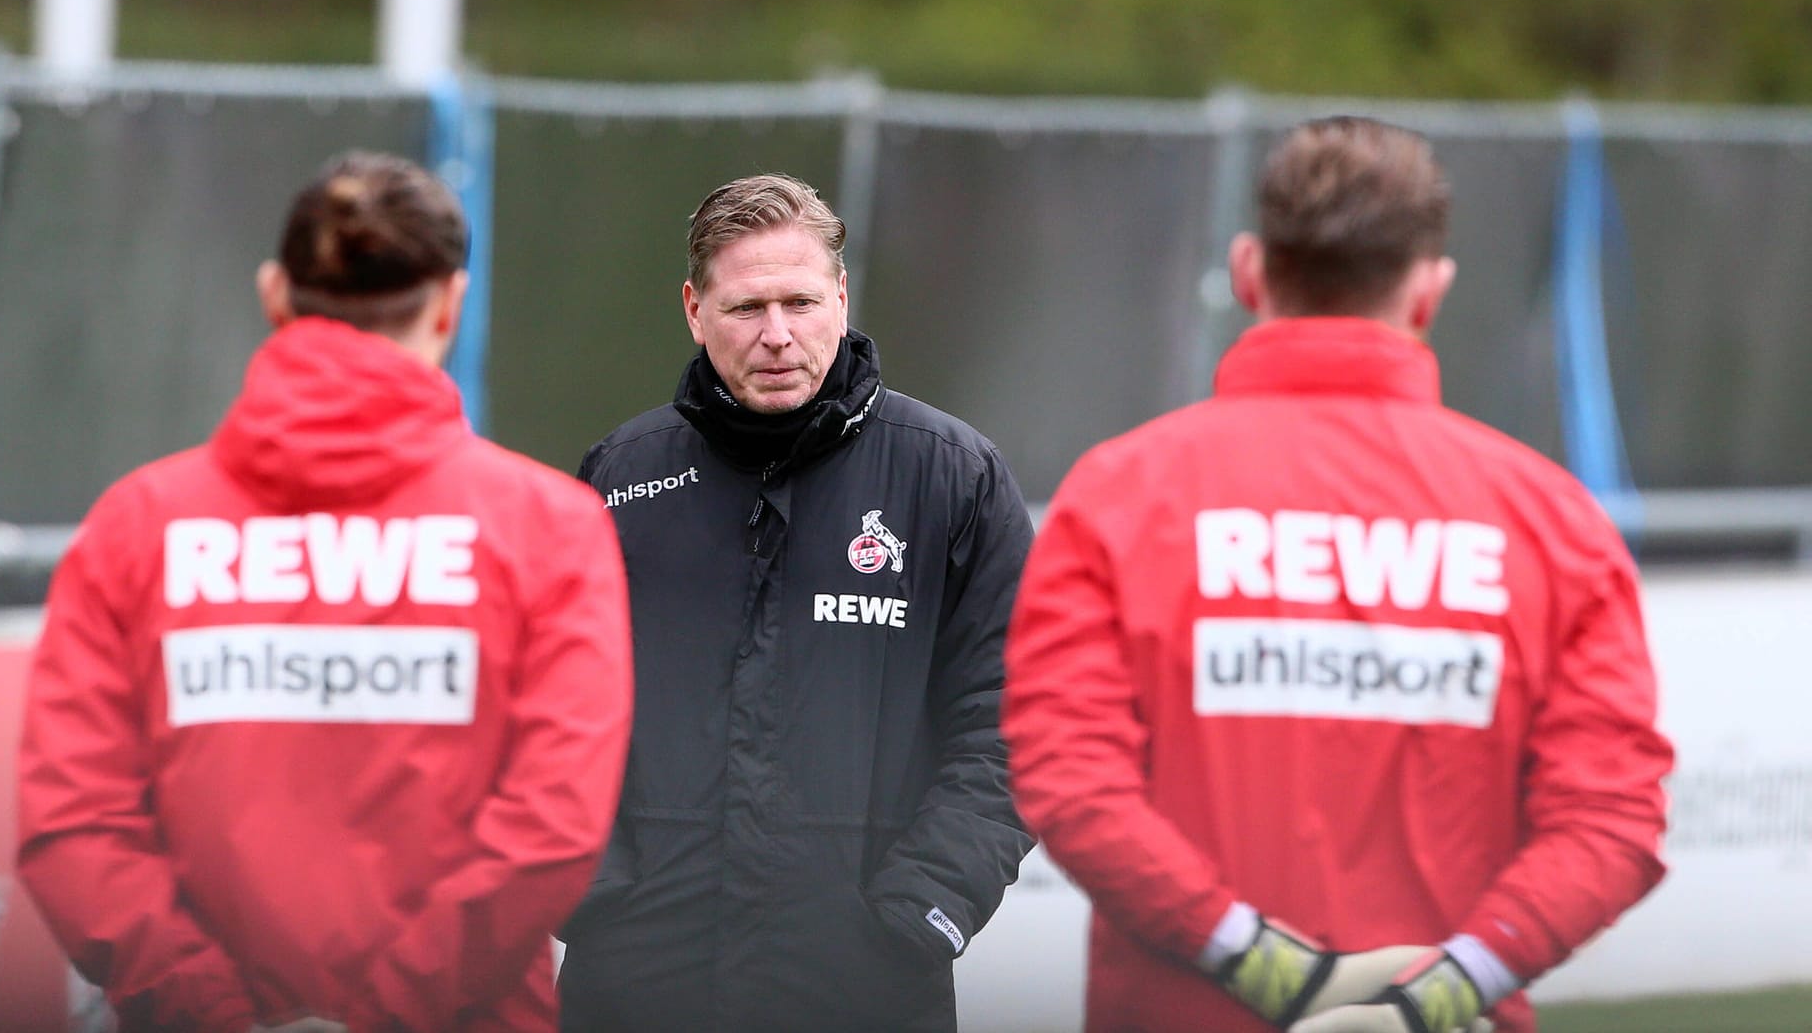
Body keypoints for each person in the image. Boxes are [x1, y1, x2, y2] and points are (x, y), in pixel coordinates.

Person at [1002, 118, 1672, 1033]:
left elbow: (1071, 784)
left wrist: (1261, 963)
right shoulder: (1551, 522)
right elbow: (1611, 824)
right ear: (1430, 292)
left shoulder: (1120, 497)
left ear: (1248, 272)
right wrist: (1436, 996)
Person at [16, 151, 634, 1033]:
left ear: (275, 293)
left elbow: (75, 826)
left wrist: (214, 1012)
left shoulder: (140, 524)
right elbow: (553, 831)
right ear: (452, 306)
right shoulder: (549, 527)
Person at [556, 173, 1035, 1032]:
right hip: (639, 984)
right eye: (746, 309)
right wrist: (593, 893)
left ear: (843, 298)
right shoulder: (619, 480)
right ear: (694, 309)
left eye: (801, 302)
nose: (777, 336)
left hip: (869, 984)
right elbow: (545, 714)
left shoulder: (951, 478)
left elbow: (1017, 722)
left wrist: (925, 909)